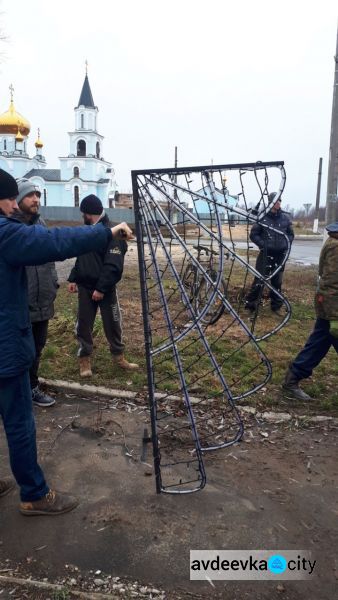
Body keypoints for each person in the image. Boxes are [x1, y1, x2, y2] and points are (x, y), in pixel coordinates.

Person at [0, 168, 133, 515]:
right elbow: (55, 244)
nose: (15, 205)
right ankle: (34, 494)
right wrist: (106, 234)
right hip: (5, 350)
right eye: (11, 198)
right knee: (19, 422)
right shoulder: (6, 234)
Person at [68, 194, 139, 377]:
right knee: (83, 324)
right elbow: (81, 256)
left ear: (89, 213)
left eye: (83, 213)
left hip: (105, 290)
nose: (82, 217)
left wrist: (101, 288)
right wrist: (74, 278)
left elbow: (113, 265)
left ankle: (118, 356)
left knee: (113, 323)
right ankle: (84, 359)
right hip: (85, 287)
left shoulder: (113, 231)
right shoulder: (89, 230)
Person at [283, 222, 338, 401]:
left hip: (330, 307)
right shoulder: (336, 247)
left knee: (319, 342)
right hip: (333, 307)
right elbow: (330, 284)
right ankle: (292, 378)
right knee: (320, 340)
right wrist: (334, 317)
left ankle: (293, 378)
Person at [16, 178, 58, 408]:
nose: (35, 199)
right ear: (17, 199)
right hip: (21, 304)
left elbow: (49, 260)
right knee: (19, 351)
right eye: (30, 195)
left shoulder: (41, 225)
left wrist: (53, 284)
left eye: (38, 195)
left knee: (37, 348)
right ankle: (16, 391)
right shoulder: (13, 228)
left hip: (43, 301)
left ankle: (32, 387)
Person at [245, 192, 294, 313]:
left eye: (280, 201)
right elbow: (253, 234)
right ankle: (251, 305)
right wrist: (264, 245)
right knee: (259, 280)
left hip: (280, 255)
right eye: (276, 201)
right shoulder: (262, 217)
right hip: (266, 254)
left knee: (277, 281)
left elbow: (291, 234)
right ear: (271, 202)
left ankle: (276, 307)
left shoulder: (285, 218)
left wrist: (286, 244)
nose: (278, 203)